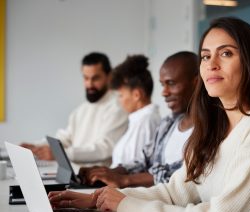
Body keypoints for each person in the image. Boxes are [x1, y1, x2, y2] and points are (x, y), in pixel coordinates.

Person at [49, 19, 250, 212]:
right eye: (206, 56)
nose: (211, 64)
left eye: (226, 53)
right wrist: (98, 199)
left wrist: (124, 204)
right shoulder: (214, 125)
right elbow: (173, 193)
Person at [77, 51, 198, 188]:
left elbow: (181, 174)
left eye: (171, 83)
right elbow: (144, 161)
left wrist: (124, 180)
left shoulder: (210, 131)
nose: (164, 92)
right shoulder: (167, 124)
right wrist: (106, 172)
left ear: (196, 82)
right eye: (163, 85)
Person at [21, 52, 128, 165]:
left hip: (102, 180)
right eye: (86, 78)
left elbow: (104, 148)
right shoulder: (80, 110)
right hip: (77, 177)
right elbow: (65, 139)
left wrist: (60, 154)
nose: (89, 84)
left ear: (109, 76)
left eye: (95, 78)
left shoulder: (118, 107)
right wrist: (36, 147)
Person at [109, 54, 161, 168]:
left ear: (137, 95)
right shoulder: (138, 120)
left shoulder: (148, 121)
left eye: (121, 95)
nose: (119, 101)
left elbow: (137, 169)